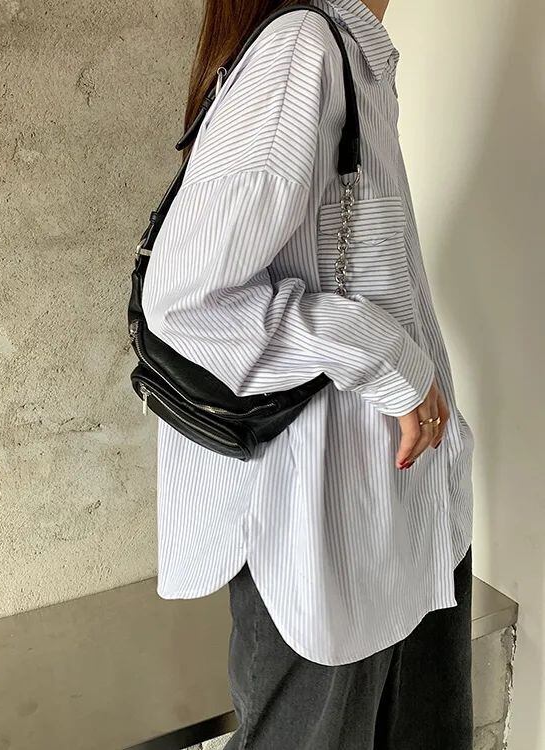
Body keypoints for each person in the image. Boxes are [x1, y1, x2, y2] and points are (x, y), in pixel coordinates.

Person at [140, 0, 475, 747]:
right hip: (321, 531)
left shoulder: (349, 52)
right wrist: (390, 359)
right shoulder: (303, 49)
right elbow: (187, 300)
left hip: (390, 511)